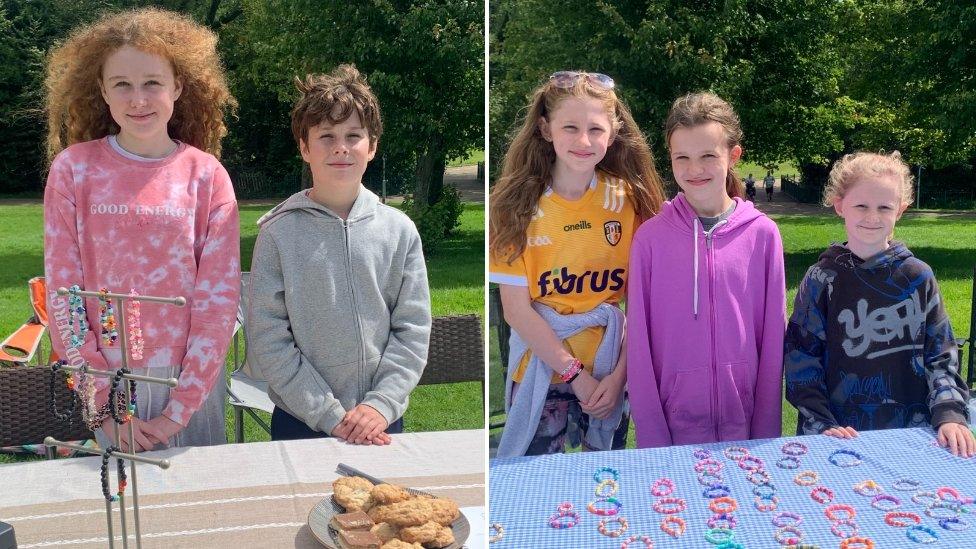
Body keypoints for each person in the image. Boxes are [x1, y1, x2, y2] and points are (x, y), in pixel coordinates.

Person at [43, 8, 240, 452]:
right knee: (123, 518)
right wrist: (105, 405)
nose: (138, 99)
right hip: (107, 389)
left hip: (192, 390)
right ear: (102, 92)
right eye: (122, 85)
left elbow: (218, 303)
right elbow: (65, 298)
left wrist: (177, 412)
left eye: (152, 82)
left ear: (179, 86)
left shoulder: (206, 176)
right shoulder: (74, 170)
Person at [247, 66, 431, 444]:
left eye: (353, 135)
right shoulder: (277, 233)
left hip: (380, 421)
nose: (340, 147)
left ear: (373, 145)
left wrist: (380, 404)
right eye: (326, 136)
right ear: (304, 147)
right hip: (301, 419)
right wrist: (329, 415)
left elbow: (412, 328)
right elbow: (268, 337)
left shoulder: (399, 231)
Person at [489, 71, 666, 458]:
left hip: (609, 372)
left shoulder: (631, 200)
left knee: (605, 487)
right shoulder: (511, 206)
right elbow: (516, 310)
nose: (584, 141)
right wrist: (575, 376)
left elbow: (643, 305)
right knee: (533, 489)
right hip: (540, 369)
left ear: (614, 132)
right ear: (545, 128)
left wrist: (620, 377)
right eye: (570, 127)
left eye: (595, 129)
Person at [785, 151, 974, 457]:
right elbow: (801, 359)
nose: (872, 217)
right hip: (836, 437)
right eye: (861, 205)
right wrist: (820, 422)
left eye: (884, 207)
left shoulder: (918, 277)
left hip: (912, 436)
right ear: (839, 205)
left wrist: (950, 413)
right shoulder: (822, 278)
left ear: (900, 210)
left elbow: (940, 354)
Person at [626, 92, 786, 448]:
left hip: (746, 432)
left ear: (733, 156)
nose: (694, 169)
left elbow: (773, 342)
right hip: (672, 431)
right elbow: (638, 346)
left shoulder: (763, 235)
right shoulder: (649, 240)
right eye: (681, 157)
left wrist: (765, 437)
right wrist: (653, 440)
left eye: (708, 156)